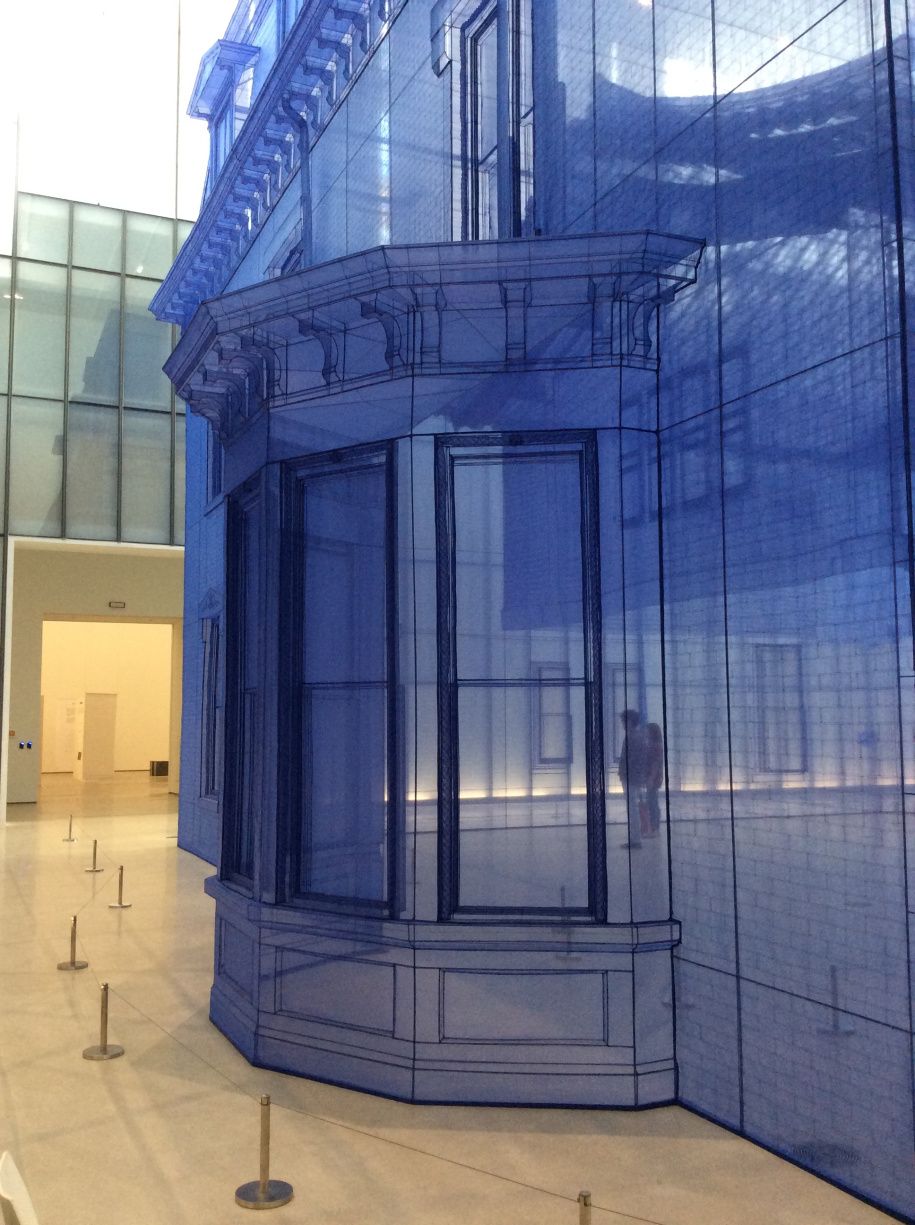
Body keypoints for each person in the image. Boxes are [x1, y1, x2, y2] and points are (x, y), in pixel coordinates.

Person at [618, 709, 648, 848]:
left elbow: (630, 759)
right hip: (634, 776)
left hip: (630, 776)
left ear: (629, 722)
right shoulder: (639, 736)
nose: (623, 724)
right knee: (633, 808)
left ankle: (635, 839)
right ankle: (635, 838)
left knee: (632, 809)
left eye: (624, 721)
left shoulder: (632, 737)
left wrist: (623, 773)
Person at [644, 722, 664, 837]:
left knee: (652, 803)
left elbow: (655, 764)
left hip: (653, 778)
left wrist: (651, 778)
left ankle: (654, 829)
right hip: (653, 777)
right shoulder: (654, 745)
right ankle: (653, 828)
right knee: (652, 801)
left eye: (647, 731)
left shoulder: (655, 746)